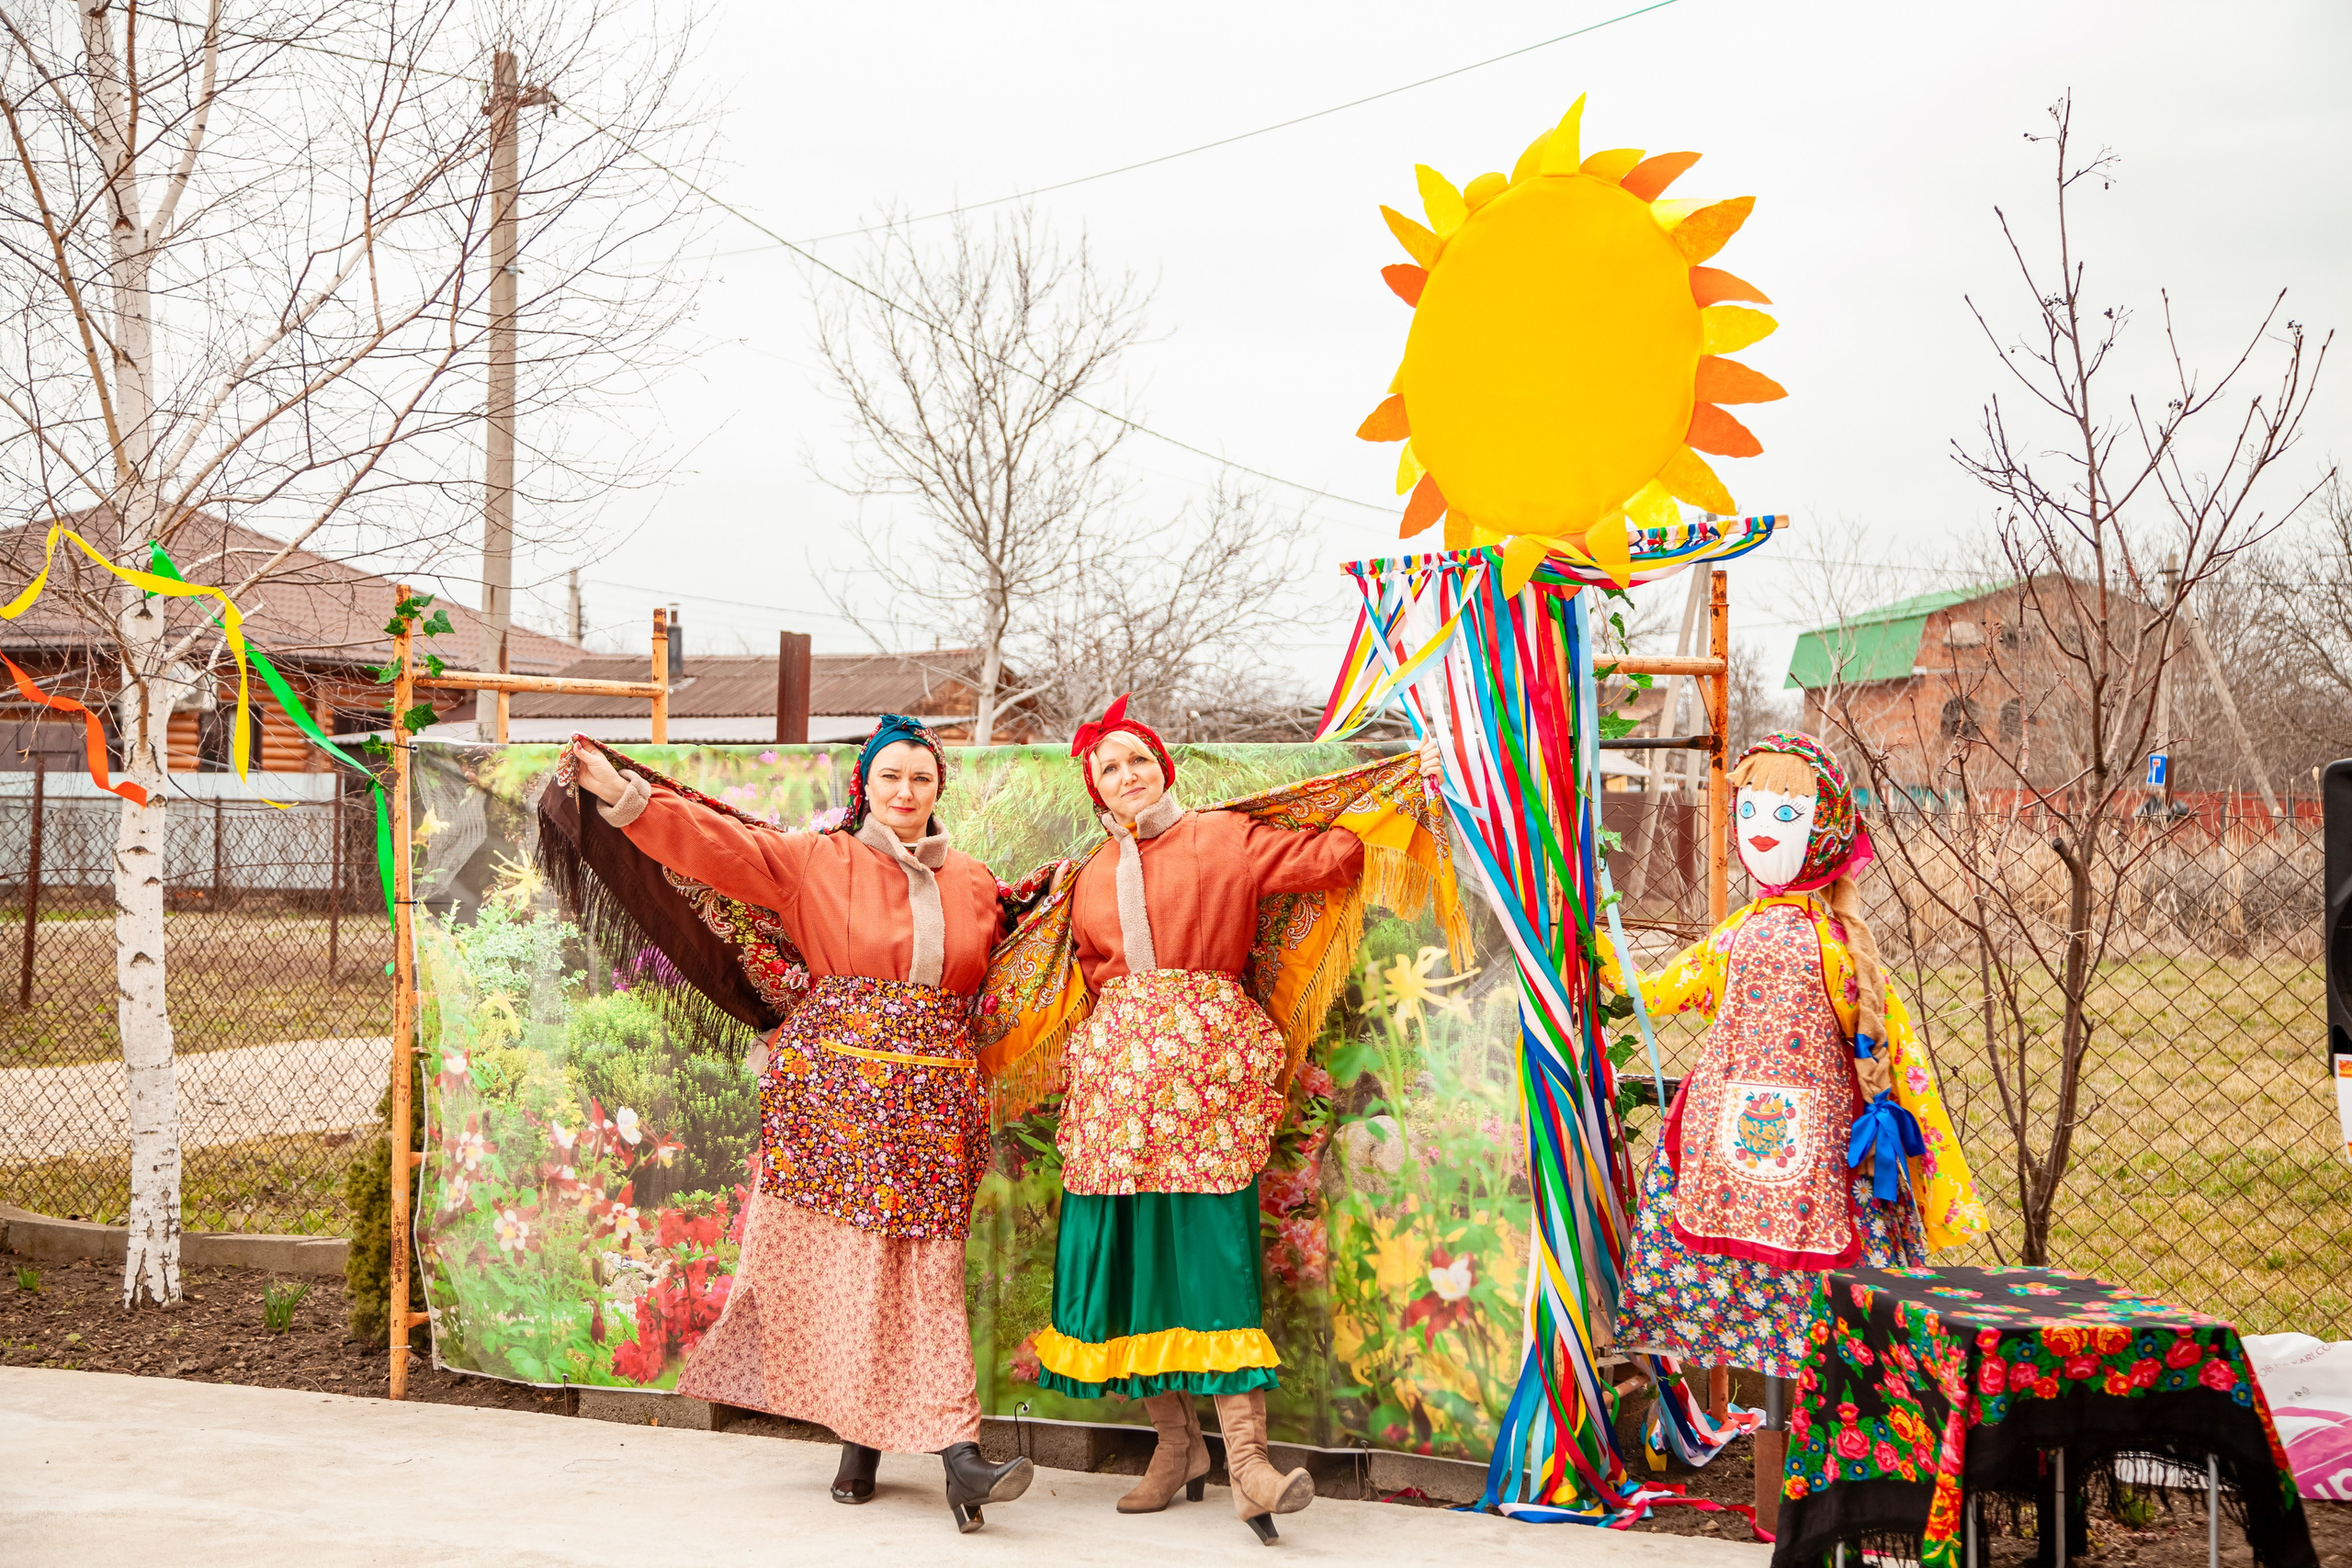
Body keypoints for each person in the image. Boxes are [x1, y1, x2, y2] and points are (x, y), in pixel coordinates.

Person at [565, 716, 1035, 1534]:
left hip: (935, 1109)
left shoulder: (975, 882)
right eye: (890, 776)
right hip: (836, 1102)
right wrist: (624, 795)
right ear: (866, 785)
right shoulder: (819, 860)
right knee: (855, 1270)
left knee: (927, 1270)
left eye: (920, 778)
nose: (905, 792)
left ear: (938, 787)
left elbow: (1011, 960)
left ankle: (957, 1452)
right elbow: (715, 844)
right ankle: (873, 1447)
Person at [1021, 696, 1445, 1544]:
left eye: (1140, 759)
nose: (1129, 774)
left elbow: (1324, 859)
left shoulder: (1224, 837)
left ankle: (1249, 1460)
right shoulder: (1084, 875)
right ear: (1095, 788)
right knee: (1134, 1261)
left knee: (1212, 1259)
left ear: (1164, 766)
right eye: (1111, 767)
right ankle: (1175, 1448)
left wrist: (1406, 801)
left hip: (1209, 1086)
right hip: (1115, 1095)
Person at [1609, 732, 1985, 1386]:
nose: (1761, 828)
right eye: (1750, 809)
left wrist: (1938, 1170)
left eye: (1787, 814)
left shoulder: (1831, 950)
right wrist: (1595, 945)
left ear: (1827, 833)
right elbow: (1660, 988)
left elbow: (1896, 1054)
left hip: (1778, 1152)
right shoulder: (1766, 940)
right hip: (1774, 1150)